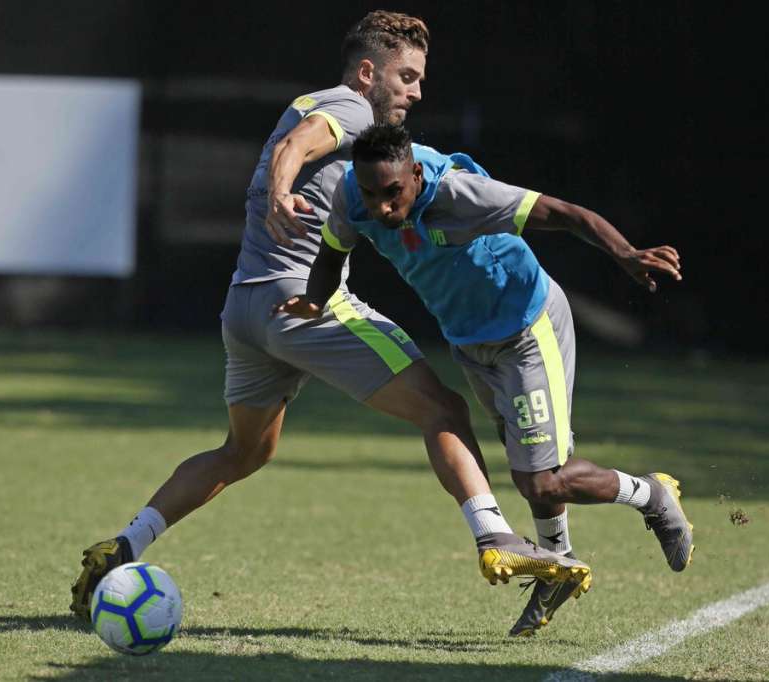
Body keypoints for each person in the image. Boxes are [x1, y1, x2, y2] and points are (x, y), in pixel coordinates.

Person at [70, 12, 589, 623]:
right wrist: (279, 194)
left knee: (242, 452)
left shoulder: (317, 107)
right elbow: (298, 146)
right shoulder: (351, 107)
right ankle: (493, 536)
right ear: (368, 72)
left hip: (245, 307)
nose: (415, 91)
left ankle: (124, 544)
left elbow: (300, 144)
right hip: (301, 303)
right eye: (406, 76)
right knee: (443, 409)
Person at [278, 123, 695, 637]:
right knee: (529, 464)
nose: (383, 208)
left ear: (413, 174)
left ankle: (652, 495)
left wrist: (626, 254)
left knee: (542, 477)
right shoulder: (352, 195)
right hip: (468, 340)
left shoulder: (459, 194)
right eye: (372, 194)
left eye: (393, 194)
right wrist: (313, 301)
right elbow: (332, 255)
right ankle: (557, 564)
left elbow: (565, 214)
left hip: (526, 326)